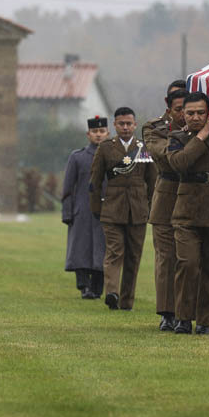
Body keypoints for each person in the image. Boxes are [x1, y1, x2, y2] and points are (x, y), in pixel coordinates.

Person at [166, 92, 209, 335]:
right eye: (190, 113)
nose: (195, 117)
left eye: (200, 113)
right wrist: (202, 137)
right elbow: (178, 163)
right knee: (188, 264)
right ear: (183, 114)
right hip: (187, 210)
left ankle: (204, 320)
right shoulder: (177, 138)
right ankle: (183, 318)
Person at [89, 107, 156, 311]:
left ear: (135, 125)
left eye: (129, 123)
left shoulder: (143, 148)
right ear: (115, 126)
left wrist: (151, 208)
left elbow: (152, 181)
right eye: (121, 124)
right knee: (114, 252)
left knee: (134, 256)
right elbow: (95, 180)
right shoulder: (106, 148)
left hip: (137, 210)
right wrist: (97, 208)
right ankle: (112, 292)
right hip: (112, 209)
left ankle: (126, 301)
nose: (125, 127)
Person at [142, 83, 188, 331]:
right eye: (179, 109)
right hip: (166, 196)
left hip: (193, 196)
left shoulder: (200, 127)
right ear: (168, 108)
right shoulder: (153, 128)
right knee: (166, 258)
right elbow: (164, 156)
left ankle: (185, 312)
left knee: (189, 259)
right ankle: (167, 312)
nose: (184, 114)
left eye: (187, 109)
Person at [62, 115, 109, 299]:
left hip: (105, 210)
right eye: (95, 132)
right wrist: (67, 213)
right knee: (80, 249)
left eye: (101, 131)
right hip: (81, 210)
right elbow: (68, 187)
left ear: (107, 133)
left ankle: (97, 288)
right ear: (88, 134)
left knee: (101, 250)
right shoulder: (77, 157)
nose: (98, 135)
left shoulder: (113, 156)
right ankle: (84, 286)